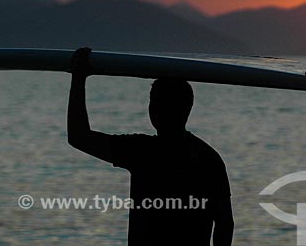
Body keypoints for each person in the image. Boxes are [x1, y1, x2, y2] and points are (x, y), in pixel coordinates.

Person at [67, 47, 234, 246]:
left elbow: (79, 137)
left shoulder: (142, 151)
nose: (155, 109)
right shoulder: (208, 158)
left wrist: (78, 77)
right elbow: (225, 223)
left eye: (159, 103)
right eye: (155, 102)